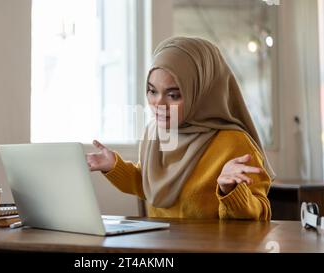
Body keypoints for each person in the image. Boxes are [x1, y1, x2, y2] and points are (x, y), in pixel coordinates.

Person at [86, 37, 275, 220]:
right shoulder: (156, 131)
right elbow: (150, 186)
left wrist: (232, 191)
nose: (158, 104)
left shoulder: (234, 143)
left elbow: (261, 214)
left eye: (174, 95)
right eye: (152, 91)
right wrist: (114, 166)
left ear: (201, 92)